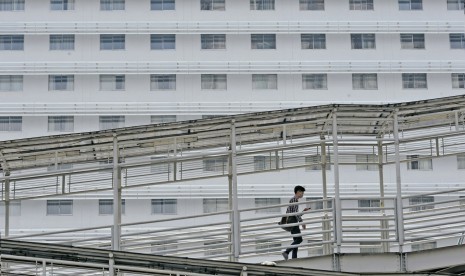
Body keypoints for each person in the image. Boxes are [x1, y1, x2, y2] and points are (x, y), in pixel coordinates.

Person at [282, 185, 309, 260]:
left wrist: (303, 211)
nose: (302, 194)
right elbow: (294, 213)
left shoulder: (294, 200)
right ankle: (286, 252)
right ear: (298, 192)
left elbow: (295, 213)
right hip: (293, 221)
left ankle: (294, 257)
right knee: (299, 240)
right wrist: (302, 222)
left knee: (296, 241)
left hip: (292, 220)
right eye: (302, 192)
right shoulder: (294, 200)